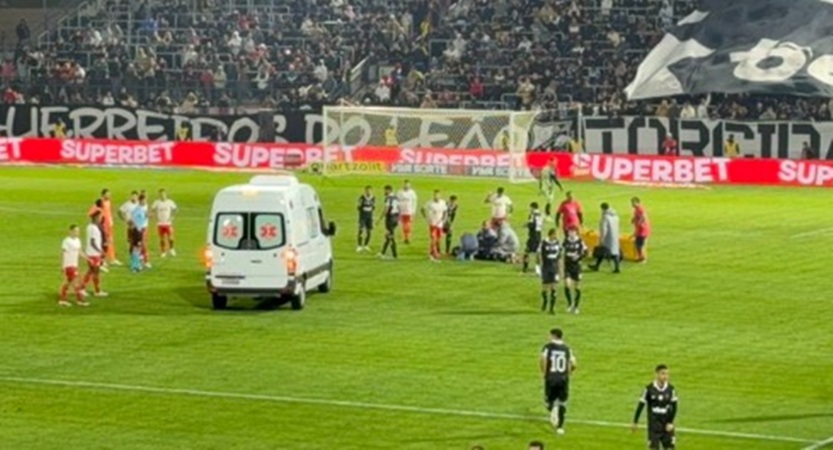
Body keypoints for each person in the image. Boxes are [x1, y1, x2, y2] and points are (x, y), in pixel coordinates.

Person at [632, 364, 679, 450]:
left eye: (667, 374)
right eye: (663, 373)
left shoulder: (671, 389)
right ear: (656, 374)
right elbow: (641, 405)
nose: (665, 376)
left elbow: (675, 407)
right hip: (654, 428)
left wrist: (670, 422)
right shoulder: (649, 389)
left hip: (667, 427)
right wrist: (635, 422)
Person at [540, 328, 577, 435]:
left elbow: (543, 360)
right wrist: (568, 372)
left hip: (551, 378)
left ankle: (553, 408)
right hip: (563, 379)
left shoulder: (548, 347)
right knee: (563, 403)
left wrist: (544, 373)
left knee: (548, 401)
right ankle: (560, 427)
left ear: (553, 336)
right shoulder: (567, 349)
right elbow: (574, 364)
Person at [79, 212, 108, 298]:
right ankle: (95, 291)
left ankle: (85, 289)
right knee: (95, 272)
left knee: (91, 271)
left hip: (91, 253)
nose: (100, 219)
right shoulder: (93, 228)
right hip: (93, 254)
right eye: (99, 217)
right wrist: (100, 250)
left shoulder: (90, 227)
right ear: (95, 218)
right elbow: (92, 242)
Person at [59, 224, 87, 307]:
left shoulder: (78, 240)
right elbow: (63, 253)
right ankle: (80, 300)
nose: (77, 233)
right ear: (70, 231)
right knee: (75, 282)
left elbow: (80, 252)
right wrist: (62, 266)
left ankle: (62, 300)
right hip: (69, 265)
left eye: (78, 231)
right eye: (75, 231)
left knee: (68, 282)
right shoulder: (66, 241)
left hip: (75, 265)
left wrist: (87, 259)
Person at [562, 226, 588, 314]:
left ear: (576, 232)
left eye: (572, 232)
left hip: (577, 267)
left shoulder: (580, 241)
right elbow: (561, 250)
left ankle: (576, 306)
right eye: (569, 232)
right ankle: (570, 304)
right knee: (567, 285)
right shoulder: (566, 241)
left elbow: (586, 252)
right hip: (568, 266)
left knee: (577, 287)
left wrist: (579, 257)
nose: (571, 233)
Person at [590, 202, 621, 273]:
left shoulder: (605, 217)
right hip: (615, 235)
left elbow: (604, 229)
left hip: (608, 237)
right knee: (614, 251)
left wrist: (602, 238)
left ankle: (597, 266)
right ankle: (616, 267)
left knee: (603, 251)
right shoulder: (615, 216)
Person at [421, 189, 448, 262]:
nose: (436, 196)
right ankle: (435, 254)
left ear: (440, 195)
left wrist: (443, 220)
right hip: (433, 224)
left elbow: (445, 211)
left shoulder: (442, 202)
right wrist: (427, 218)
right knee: (433, 239)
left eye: (438, 195)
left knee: (438, 239)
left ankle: (433, 252)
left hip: (440, 224)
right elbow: (422, 209)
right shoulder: (430, 203)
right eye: (435, 195)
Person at [539, 228, 561, 314]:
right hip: (546, 267)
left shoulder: (557, 243)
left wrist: (560, 270)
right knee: (544, 288)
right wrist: (538, 267)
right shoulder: (544, 243)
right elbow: (539, 255)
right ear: (550, 234)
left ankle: (552, 309)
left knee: (554, 288)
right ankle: (545, 301)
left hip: (554, 268)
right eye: (554, 234)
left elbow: (559, 257)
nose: (556, 236)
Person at [151, 188, 178, 257]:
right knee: (162, 238)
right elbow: (152, 210)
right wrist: (154, 217)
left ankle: (171, 249)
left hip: (168, 223)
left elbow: (175, 209)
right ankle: (163, 251)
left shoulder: (170, 202)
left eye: (163, 194)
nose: (162, 195)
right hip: (160, 223)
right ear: (159, 195)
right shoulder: (156, 202)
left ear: (166, 194)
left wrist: (172, 217)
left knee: (170, 237)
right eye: (161, 194)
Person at [377, 185, 400, 259]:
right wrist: (398, 219)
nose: (384, 192)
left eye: (385, 190)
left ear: (389, 190)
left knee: (390, 236)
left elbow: (386, 209)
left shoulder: (388, 198)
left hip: (390, 219)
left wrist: (380, 219)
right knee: (388, 236)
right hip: (395, 218)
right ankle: (383, 253)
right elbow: (399, 208)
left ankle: (394, 254)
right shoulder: (396, 197)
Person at [522, 202, 544, 273]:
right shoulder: (540, 214)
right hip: (539, 235)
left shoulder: (532, 214)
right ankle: (538, 269)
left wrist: (526, 225)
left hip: (533, 236)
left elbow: (532, 224)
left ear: (532, 207)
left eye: (530, 207)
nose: (530, 209)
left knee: (526, 251)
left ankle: (525, 268)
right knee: (538, 252)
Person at [131, 193, 151, 268]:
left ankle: (143, 261)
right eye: (144, 200)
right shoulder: (137, 209)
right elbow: (133, 218)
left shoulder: (145, 206)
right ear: (140, 200)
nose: (145, 201)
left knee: (142, 245)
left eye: (146, 200)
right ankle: (141, 262)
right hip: (139, 229)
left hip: (144, 228)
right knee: (140, 245)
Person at [631, 197, 651, 263]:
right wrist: (633, 219)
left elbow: (644, 217)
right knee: (637, 244)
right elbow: (637, 216)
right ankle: (640, 257)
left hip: (643, 230)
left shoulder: (641, 209)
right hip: (639, 229)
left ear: (638, 202)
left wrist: (640, 222)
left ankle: (643, 259)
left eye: (633, 202)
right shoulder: (636, 209)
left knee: (640, 244)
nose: (632, 204)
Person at [356, 185, 375, 252]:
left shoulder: (373, 198)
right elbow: (358, 207)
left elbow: (373, 207)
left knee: (369, 232)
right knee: (361, 230)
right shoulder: (362, 198)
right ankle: (359, 246)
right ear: (365, 191)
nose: (368, 192)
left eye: (369, 190)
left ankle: (366, 245)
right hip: (363, 216)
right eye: (367, 190)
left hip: (369, 216)